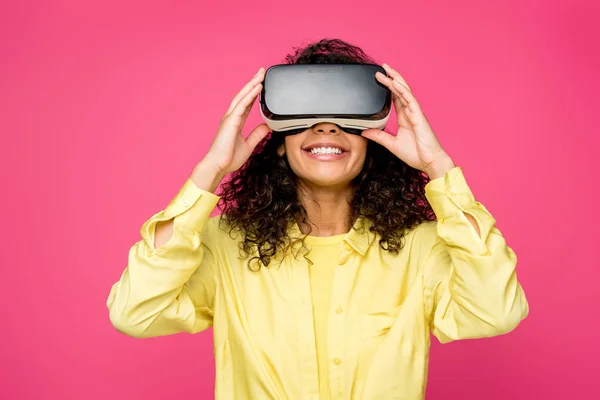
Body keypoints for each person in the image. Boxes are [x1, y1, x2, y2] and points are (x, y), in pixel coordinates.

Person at [107, 38, 529, 400]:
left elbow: (495, 312)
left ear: (372, 143)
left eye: (344, 116)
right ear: (278, 142)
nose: (326, 128)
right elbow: (135, 312)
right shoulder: (225, 245)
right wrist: (210, 170)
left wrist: (437, 165)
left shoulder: (420, 247)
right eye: (306, 115)